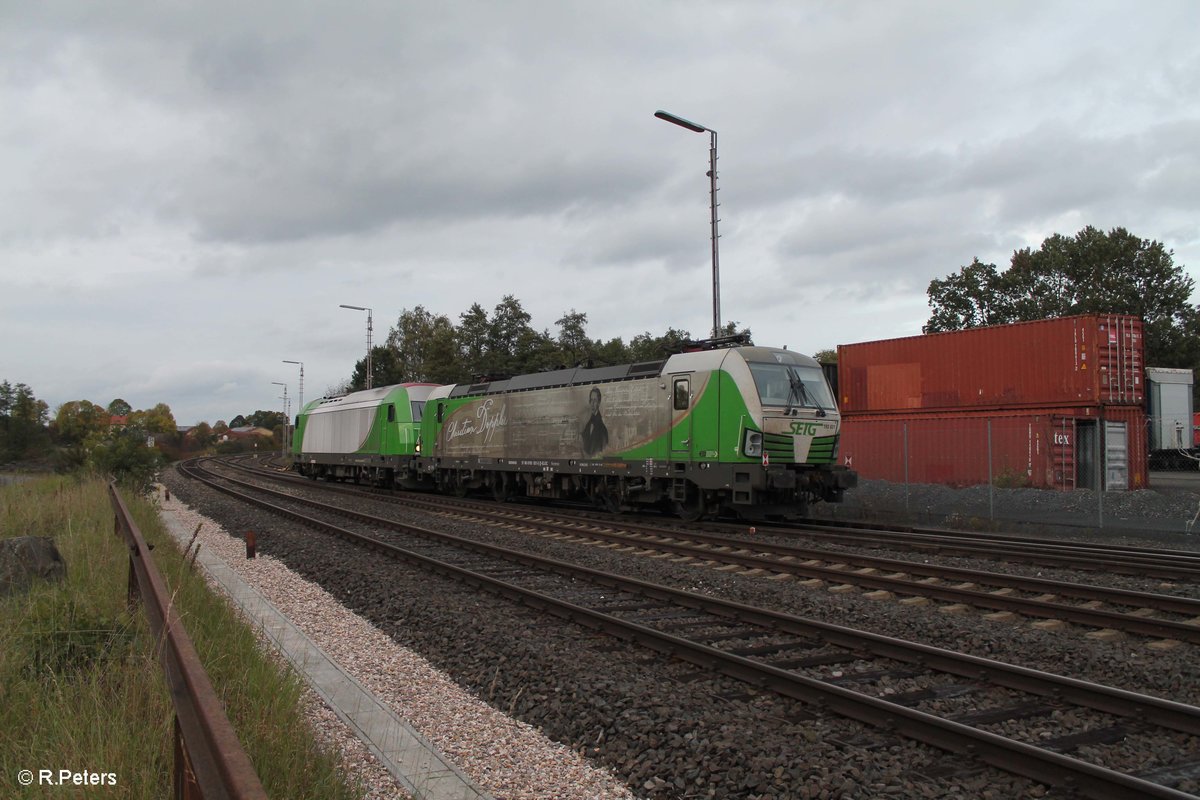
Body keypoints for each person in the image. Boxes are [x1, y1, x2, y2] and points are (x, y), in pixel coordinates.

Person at [580, 386, 609, 456]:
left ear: (599, 403)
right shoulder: (587, 425)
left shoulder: (602, 430)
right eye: (591, 400)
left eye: (595, 400)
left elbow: (602, 453)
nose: (592, 404)